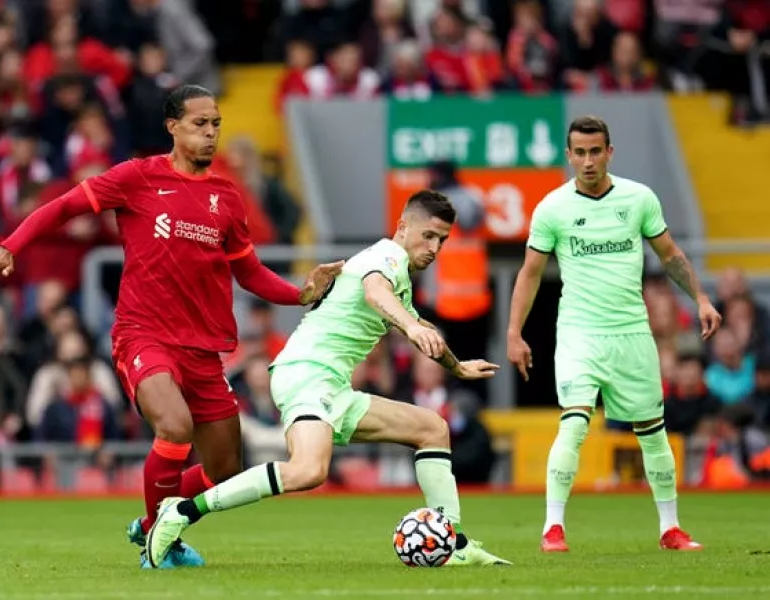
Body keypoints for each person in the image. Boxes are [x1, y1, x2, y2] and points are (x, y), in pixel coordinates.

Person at [0, 85, 342, 569]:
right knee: (175, 427)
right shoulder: (138, 178)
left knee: (225, 468)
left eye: (216, 124)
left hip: (203, 349)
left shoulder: (226, 198)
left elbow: (247, 273)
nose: (210, 133)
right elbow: (63, 207)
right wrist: (11, 245)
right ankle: (161, 543)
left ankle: (151, 522)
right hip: (144, 336)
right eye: (200, 124)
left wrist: (301, 293)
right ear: (173, 127)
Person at [144, 190, 512, 569]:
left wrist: (457, 367)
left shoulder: (398, 272)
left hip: (331, 385)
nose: (435, 248)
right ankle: (181, 512)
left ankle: (451, 542)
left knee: (432, 428)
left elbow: (418, 324)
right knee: (308, 471)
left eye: (443, 240)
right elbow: (375, 293)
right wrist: (408, 326)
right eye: (429, 235)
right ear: (403, 227)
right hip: (306, 373)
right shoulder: (386, 256)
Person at [505, 115, 723, 553]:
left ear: (609, 152)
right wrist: (513, 332)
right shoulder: (552, 208)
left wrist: (700, 297)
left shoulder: (638, 199)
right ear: (568, 156)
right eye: (579, 153)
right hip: (579, 334)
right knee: (575, 423)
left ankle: (670, 529)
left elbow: (671, 255)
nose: (587, 161)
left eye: (595, 151)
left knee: (652, 431)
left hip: (631, 333)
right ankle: (553, 527)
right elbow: (530, 274)